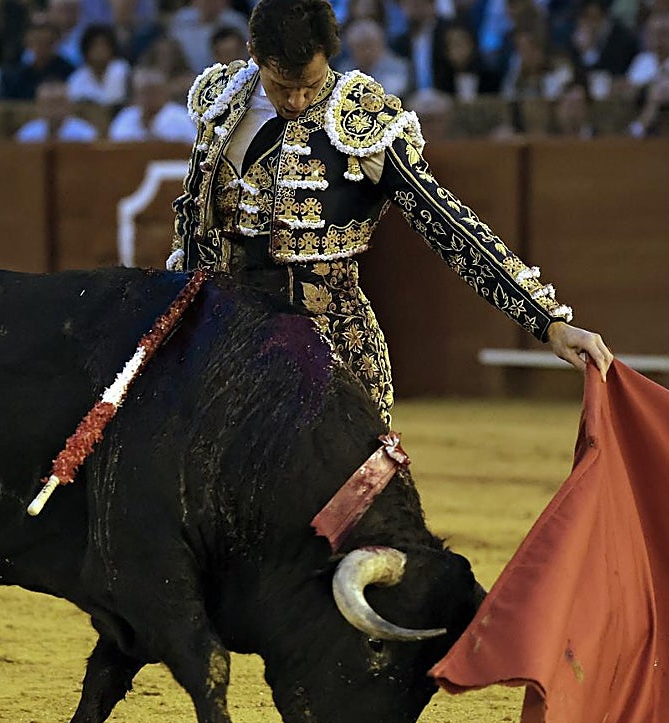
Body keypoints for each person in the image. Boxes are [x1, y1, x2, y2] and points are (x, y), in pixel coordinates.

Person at [169, 0, 612, 425]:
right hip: (225, 338)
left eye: (311, 83)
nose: (299, 100)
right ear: (254, 55)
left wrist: (547, 321)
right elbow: (192, 219)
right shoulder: (223, 103)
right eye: (283, 87)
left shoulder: (359, 119)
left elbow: (445, 221)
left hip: (329, 348)